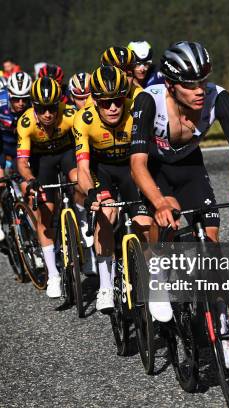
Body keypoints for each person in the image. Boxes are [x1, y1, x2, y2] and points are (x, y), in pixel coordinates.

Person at [130, 41, 229, 368]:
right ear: (171, 85)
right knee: (160, 233)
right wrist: (157, 201)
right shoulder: (149, 100)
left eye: (203, 80)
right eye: (189, 84)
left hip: (190, 169)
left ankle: (222, 332)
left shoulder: (219, 98)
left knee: (211, 248)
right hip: (155, 172)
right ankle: (157, 279)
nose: (199, 90)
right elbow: (138, 164)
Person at [73, 65, 153, 312]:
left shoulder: (135, 113)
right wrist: (91, 193)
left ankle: (151, 278)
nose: (113, 108)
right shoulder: (83, 119)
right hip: (102, 172)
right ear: (95, 101)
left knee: (145, 224)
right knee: (106, 213)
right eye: (106, 103)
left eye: (118, 100)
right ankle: (106, 285)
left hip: (131, 169)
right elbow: (83, 169)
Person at [16, 77, 81, 297]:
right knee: (46, 215)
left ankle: (83, 221)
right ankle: (53, 274)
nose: (48, 114)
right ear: (34, 107)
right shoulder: (26, 123)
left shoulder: (70, 115)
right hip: (42, 160)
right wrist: (30, 179)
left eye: (52, 108)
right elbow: (22, 162)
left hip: (66, 155)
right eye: (42, 109)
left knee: (79, 178)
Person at [0, 71, 32, 241]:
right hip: (0, 147)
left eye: (25, 98)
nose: (21, 103)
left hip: (22, 147)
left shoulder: (33, 104)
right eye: (16, 99)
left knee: (28, 188)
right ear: (9, 94)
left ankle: (31, 229)